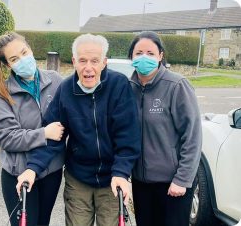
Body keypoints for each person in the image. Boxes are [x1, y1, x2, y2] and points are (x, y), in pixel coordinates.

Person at [16, 33, 141, 226]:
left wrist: (122, 173)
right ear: (74, 61)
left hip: (112, 178)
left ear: (104, 62)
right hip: (78, 178)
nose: (88, 67)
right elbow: (53, 136)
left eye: (94, 61)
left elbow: (128, 136)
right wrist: (32, 168)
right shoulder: (66, 90)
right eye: (82, 60)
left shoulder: (119, 86)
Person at [0, 32, 65, 226]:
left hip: (50, 171)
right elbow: (6, 138)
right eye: (14, 59)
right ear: (8, 65)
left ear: (30, 49)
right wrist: (44, 133)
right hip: (17, 174)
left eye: (24, 52)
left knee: (42, 222)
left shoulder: (55, 81)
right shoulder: (3, 94)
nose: (22, 60)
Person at [128, 31, 202, 226]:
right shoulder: (129, 87)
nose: (144, 57)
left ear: (160, 56)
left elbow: (192, 136)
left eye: (151, 53)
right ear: (131, 57)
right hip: (141, 182)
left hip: (172, 183)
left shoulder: (177, 85)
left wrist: (182, 179)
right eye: (139, 53)